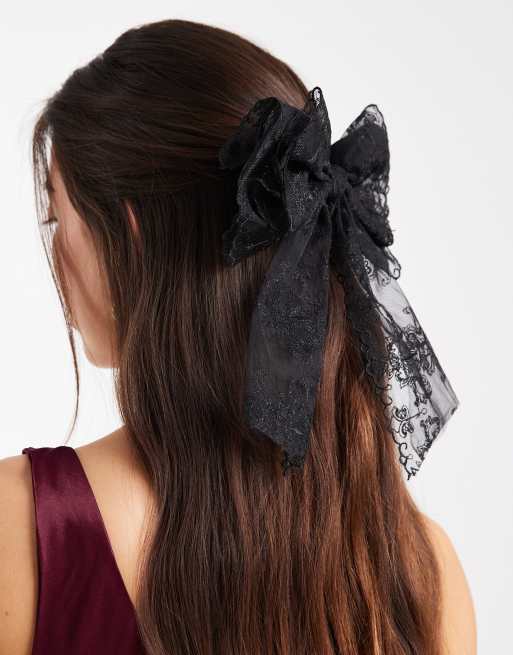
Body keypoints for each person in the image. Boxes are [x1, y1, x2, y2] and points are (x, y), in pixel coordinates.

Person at [0, 18, 476, 655]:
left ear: (127, 242)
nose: (56, 251)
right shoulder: (424, 571)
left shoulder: (25, 530)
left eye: (58, 216)